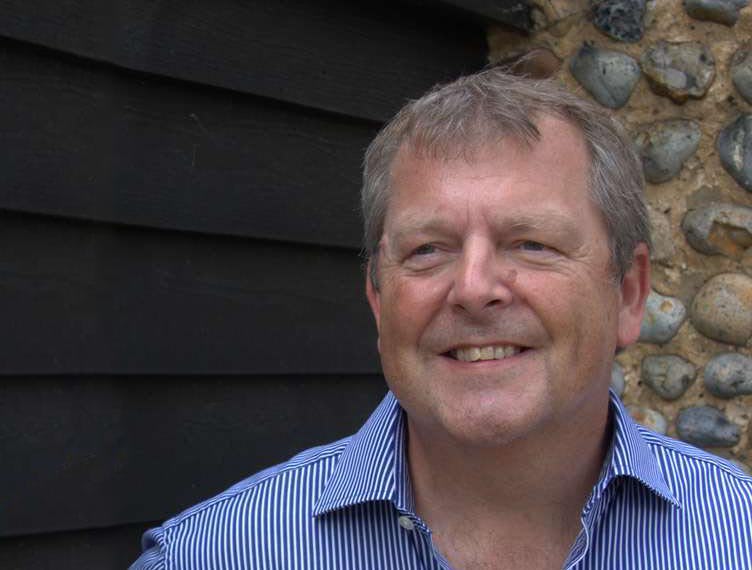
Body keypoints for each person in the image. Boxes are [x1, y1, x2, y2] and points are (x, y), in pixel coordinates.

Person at [131, 68, 752, 570]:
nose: (473, 289)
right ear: (379, 300)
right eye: (428, 250)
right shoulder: (212, 557)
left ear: (630, 293)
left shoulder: (737, 537)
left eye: (531, 243)